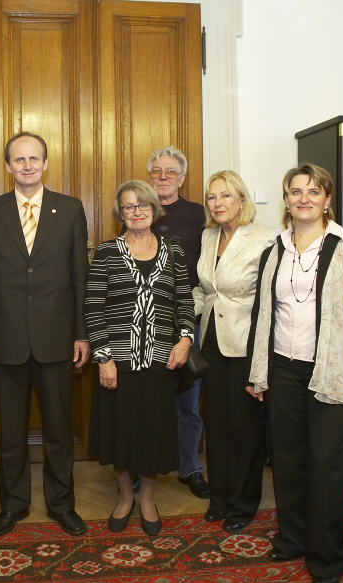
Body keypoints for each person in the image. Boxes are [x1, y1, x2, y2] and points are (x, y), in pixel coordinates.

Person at [246, 163, 343, 583]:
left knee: (327, 466)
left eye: (314, 191)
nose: (304, 198)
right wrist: (257, 372)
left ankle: (326, 557)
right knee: (286, 460)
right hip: (282, 367)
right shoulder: (274, 250)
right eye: (296, 191)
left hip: (332, 371)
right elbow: (263, 314)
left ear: (327, 199)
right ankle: (292, 538)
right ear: (286, 200)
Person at [0, 131, 90, 537]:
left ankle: (62, 505)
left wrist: (82, 334)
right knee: (12, 432)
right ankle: (13, 505)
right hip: (5, 341)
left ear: (45, 163)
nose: (27, 165)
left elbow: (80, 277)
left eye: (34, 158)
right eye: (18, 160)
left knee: (59, 432)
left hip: (57, 339)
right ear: (7, 166)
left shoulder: (70, 210)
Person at [85, 180, 193, 536]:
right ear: (121, 213)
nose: (136, 212)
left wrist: (186, 339)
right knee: (119, 432)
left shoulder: (172, 251)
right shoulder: (106, 252)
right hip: (118, 363)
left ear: (154, 208)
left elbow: (185, 301)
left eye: (142, 205)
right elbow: (93, 307)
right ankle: (124, 498)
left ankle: (147, 499)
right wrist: (103, 357)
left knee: (152, 433)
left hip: (162, 362)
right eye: (128, 206)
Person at [193, 170, 276, 533]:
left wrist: (263, 355)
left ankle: (243, 504)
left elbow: (271, 300)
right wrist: (180, 319)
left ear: (241, 200)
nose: (218, 203)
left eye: (226, 196)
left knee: (243, 428)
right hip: (211, 340)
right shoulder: (208, 236)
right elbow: (205, 290)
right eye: (212, 197)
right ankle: (220, 499)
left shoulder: (266, 237)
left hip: (247, 343)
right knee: (217, 423)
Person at [146, 146, 209, 500]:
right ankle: (145, 468)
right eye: (157, 172)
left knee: (188, 399)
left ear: (182, 178)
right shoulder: (139, 208)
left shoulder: (199, 215)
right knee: (148, 400)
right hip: (145, 322)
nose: (163, 178)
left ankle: (190, 468)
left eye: (171, 172)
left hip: (188, 319)